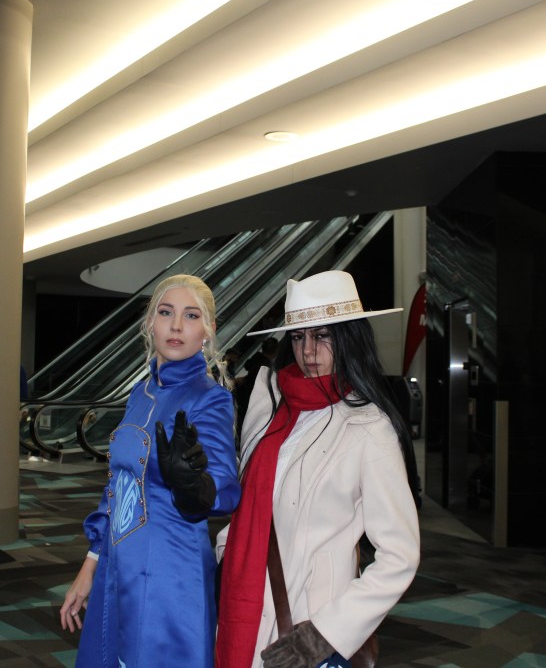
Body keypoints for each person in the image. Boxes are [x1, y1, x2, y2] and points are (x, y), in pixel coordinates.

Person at [215, 270, 421, 668]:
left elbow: (401, 556)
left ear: (348, 338)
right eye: (298, 337)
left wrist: (325, 634)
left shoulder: (368, 427)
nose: (308, 350)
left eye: (322, 335)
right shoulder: (268, 407)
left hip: (308, 626)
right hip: (243, 604)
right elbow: (251, 505)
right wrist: (227, 555)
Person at [59, 274, 241, 668]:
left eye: (191, 316)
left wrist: (193, 484)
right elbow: (117, 488)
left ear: (207, 331)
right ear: (149, 323)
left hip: (169, 572)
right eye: (166, 312)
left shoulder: (210, 399)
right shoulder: (139, 394)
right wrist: (89, 567)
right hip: (117, 566)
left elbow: (225, 489)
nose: (176, 326)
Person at [233, 336, 279, 429]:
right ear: (275, 351)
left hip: (243, 393)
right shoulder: (266, 367)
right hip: (251, 398)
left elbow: (247, 367)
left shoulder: (257, 357)